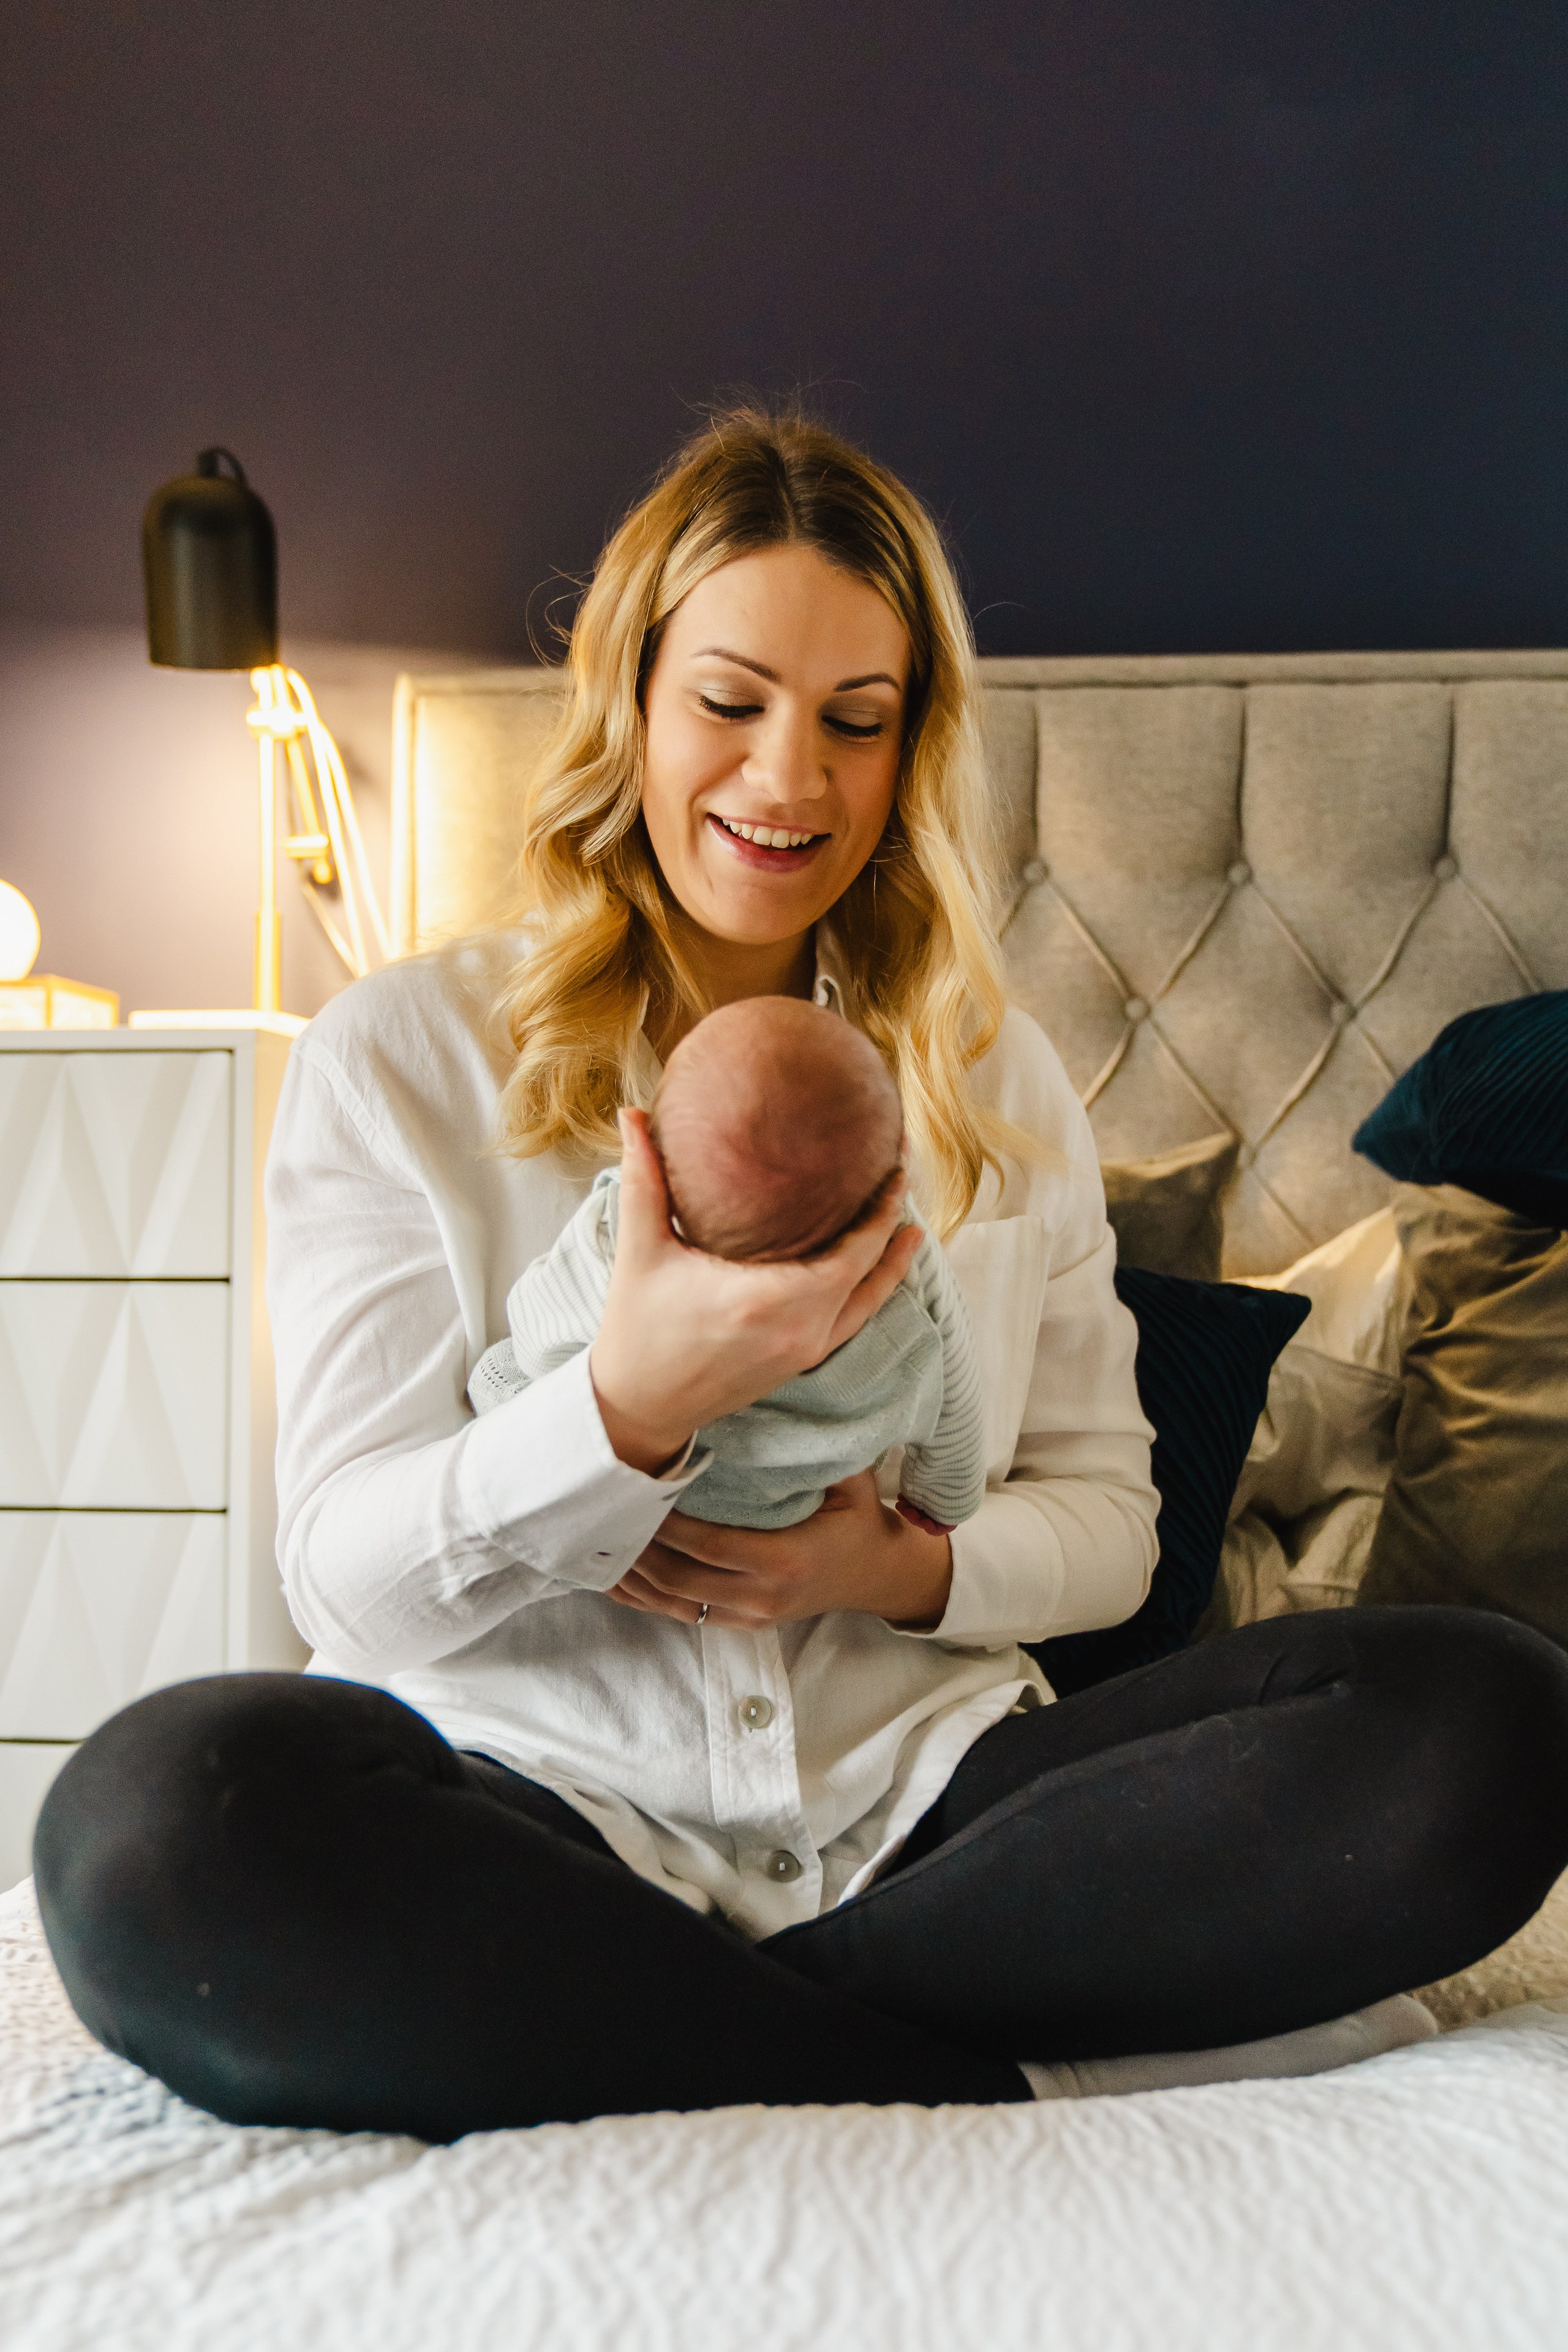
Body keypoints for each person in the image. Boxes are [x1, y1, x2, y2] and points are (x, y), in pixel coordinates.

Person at [34, 412, 1568, 2145]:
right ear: (629, 700)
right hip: (542, 1798)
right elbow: (352, 1577)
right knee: (157, 1826)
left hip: (941, 1808)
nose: (790, 782)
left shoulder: (994, 1085)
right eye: (731, 702)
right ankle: (935, 2065)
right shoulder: (405, 1060)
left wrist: (896, 1569)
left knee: (1487, 1721)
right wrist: (620, 1414)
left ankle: (641, 2025)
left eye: (858, 721)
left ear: (912, 747)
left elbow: (1112, 1532)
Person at [468, 993, 988, 1534]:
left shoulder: (616, 1238)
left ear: (644, 1148)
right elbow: (955, 1361)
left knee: (502, 1373)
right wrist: (947, 1491)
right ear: (897, 1160)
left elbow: (537, 1332)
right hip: (783, 1507)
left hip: (635, 1508)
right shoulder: (896, 1237)